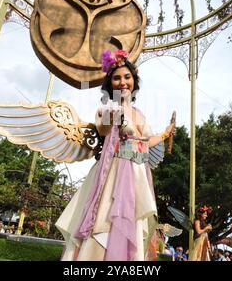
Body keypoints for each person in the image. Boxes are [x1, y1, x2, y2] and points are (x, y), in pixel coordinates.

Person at [55, 49, 175, 261]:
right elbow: (102, 130)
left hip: (136, 175)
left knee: (130, 225)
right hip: (113, 173)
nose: (123, 82)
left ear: (134, 80)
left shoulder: (138, 114)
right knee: (106, 223)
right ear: (111, 84)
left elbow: (146, 140)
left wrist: (165, 133)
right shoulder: (107, 108)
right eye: (117, 78)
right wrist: (113, 116)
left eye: (127, 77)